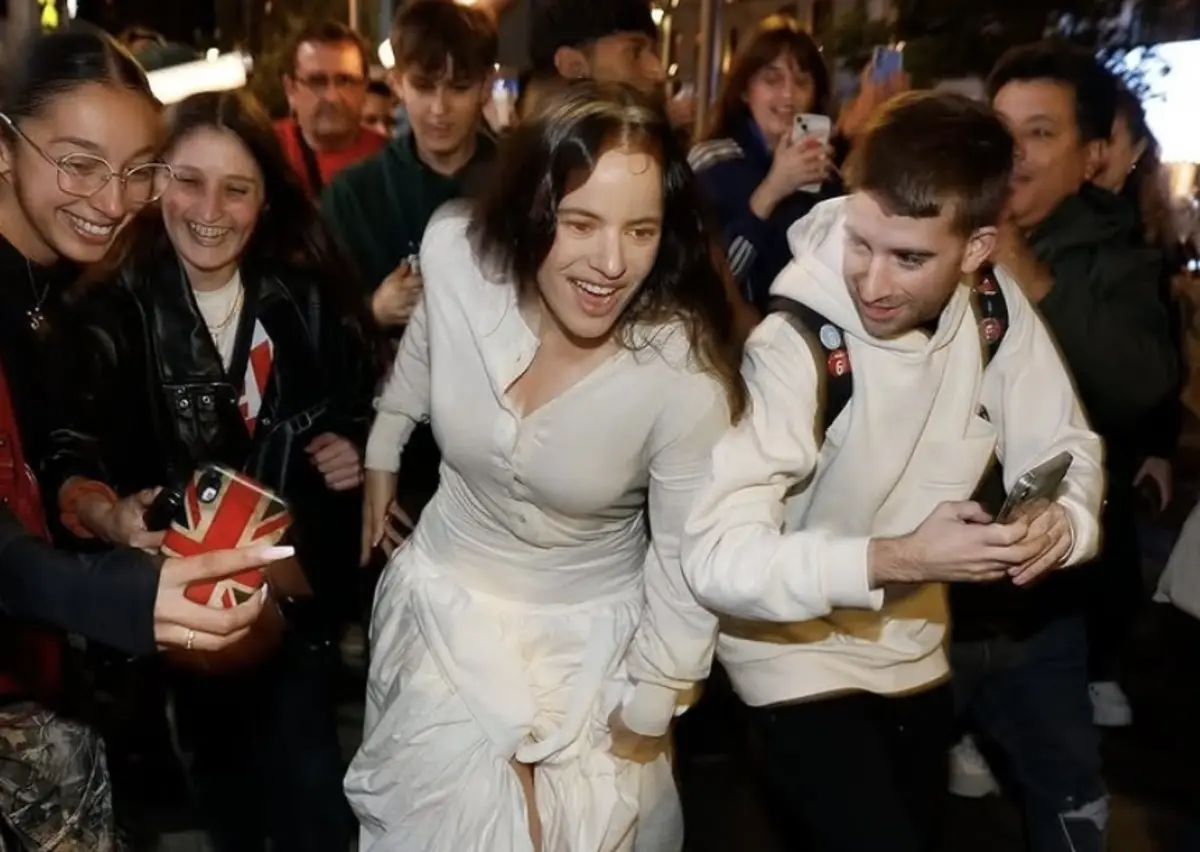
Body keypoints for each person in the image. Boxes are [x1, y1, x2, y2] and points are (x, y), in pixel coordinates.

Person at [682, 92, 1104, 852]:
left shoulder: (992, 309)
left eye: (908, 258)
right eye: (860, 243)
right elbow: (714, 557)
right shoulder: (796, 344)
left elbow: (1064, 444)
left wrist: (1061, 521)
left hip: (912, 653)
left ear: (977, 249)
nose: (872, 282)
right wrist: (900, 555)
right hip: (789, 657)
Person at [346, 81, 747, 852]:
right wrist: (385, 441)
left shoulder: (683, 376)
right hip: (446, 607)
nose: (609, 262)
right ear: (533, 211)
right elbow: (430, 337)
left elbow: (686, 558)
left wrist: (660, 690)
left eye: (640, 230)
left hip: (591, 650)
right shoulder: (456, 253)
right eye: (581, 222)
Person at [55, 88, 379, 852]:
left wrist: (353, 442)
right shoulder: (108, 307)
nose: (210, 208)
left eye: (237, 187)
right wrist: (106, 509)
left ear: (266, 199)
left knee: (316, 812)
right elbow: (68, 451)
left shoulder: (302, 299)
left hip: (289, 615)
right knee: (224, 812)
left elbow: (359, 403)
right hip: (175, 631)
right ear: (156, 180)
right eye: (189, 180)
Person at [0, 30, 281, 851]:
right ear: (6, 148)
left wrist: (101, 510)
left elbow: (48, 440)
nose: (114, 199)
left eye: (137, 169)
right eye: (80, 163)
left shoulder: (51, 285)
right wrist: (121, 598)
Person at [944, 45, 1176, 850]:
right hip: (921, 594)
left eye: (1039, 134)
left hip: (1040, 607)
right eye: (999, 131)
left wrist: (1026, 273)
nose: (1014, 156)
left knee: (1071, 798)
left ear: (1091, 156)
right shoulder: (936, 237)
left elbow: (1136, 384)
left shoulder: (1116, 262)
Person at [323, 0, 500, 526]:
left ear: (486, 86)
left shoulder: (523, 184)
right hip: (389, 455)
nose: (440, 109)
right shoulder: (353, 194)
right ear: (398, 83)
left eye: (459, 87)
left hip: (500, 453)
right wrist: (372, 310)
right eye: (425, 87)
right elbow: (313, 333)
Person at [1089, 82, 1183, 727]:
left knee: (1114, 553)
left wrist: (1161, 448)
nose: (1096, 155)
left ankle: (1098, 669)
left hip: (1123, 432)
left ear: (1134, 150)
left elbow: (1166, 359)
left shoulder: (1150, 239)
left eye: (1110, 139)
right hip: (1067, 421)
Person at [689, 16, 838, 314]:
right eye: (772, 79)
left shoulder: (824, 172)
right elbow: (706, 285)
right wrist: (771, 191)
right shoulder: (711, 163)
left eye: (801, 81)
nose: (787, 95)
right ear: (745, 91)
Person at [276, 20, 386, 197]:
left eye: (345, 81)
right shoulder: (264, 151)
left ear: (365, 88)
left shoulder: (388, 160)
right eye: (317, 81)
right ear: (290, 89)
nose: (332, 97)